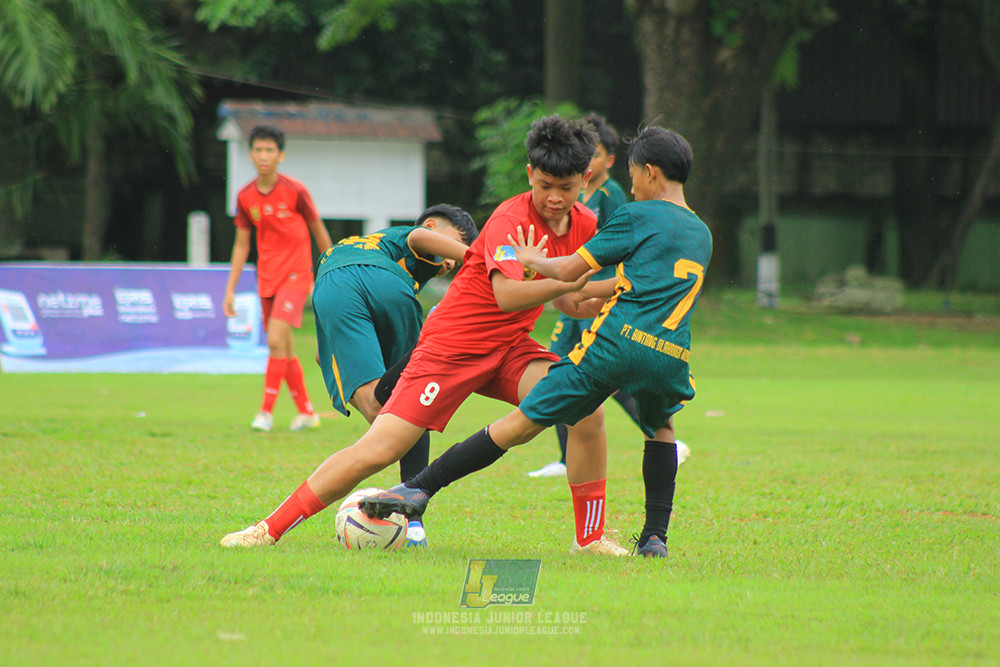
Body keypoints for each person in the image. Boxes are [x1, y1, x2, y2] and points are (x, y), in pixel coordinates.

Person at [220, 115, 630, 556]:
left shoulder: (585, 224)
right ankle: (268, 528)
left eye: (566, 188)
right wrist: (572, 284)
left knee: (585, 411)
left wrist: (617, 293)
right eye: (545, 184)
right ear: (530, 173)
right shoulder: (509, 221)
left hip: (509, 349)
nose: (553, 197)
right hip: (450, 348)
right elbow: (509, 295)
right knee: (380, 448)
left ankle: (589, 540)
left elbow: (569, 302)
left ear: (584, 179)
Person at [360, 126, 712, 559]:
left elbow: (567, 272)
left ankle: (418, 489)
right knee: (661, 430)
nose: (631, 184)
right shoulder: (701, 233)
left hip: (615, 346)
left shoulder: (636, 216)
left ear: (651, 172)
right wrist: (585, 293)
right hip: (671, 354)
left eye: (634, 173)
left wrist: (531, 261)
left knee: (522, 424)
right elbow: (630, 285)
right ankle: (655, 537)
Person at [529, 113, 692, 477]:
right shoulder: (575, 192)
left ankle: (654, 436)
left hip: (598, 290)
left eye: (598, 154)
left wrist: (544, 268)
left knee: (574, 370)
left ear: (612, 161)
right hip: (580, 285)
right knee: (593, 374)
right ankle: (569, 456)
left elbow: (626, 246)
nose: (591, 161)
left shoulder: (614, 196)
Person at [312, 204, 478, 545]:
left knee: (387, 406)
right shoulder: (407, 237)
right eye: (453, 248)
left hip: (333, 282)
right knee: (412, 400)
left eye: (455, 262)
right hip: (378, 285)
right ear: (433, 225)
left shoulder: (368, 249)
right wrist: (477, 255)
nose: (449, 264)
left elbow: (320, 353)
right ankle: (413, 518)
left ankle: (435, 335)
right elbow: (418, 235)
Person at [223, 124, 333, 433]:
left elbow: (317, 228)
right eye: (258, 149)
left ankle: (265, 413)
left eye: (270, 150)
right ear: (250, 155)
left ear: (280, 155)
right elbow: (242, 244)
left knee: (273, 341)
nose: (263, 156)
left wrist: (332, 266)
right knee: (283, 349)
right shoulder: (245, 197)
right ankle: (307, 413)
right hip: (267, 279)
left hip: (297, 275)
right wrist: (230, 290)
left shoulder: (295, 190)